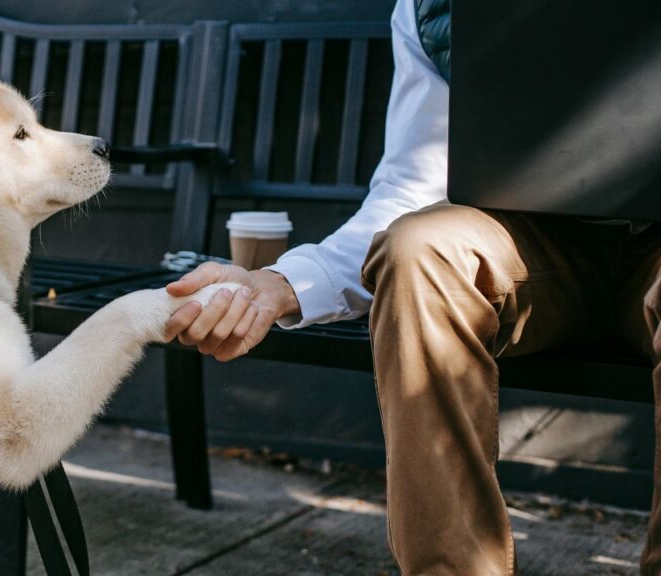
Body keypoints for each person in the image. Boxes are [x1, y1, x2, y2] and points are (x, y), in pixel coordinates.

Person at [162, 0, 661, 574]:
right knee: (418, 248)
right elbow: (411, 187)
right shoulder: (431, 7)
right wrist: (280, 284)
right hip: (533, 250)